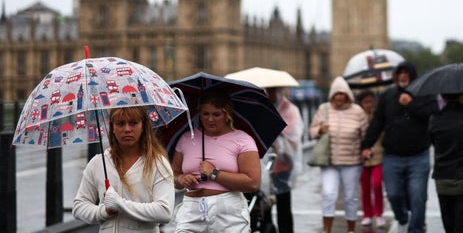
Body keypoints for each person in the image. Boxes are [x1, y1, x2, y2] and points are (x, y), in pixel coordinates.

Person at [361, 61, 439, 233]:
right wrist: (366, 145)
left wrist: (411, 104)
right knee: (394, 194)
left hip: (418, 156)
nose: (403, 76)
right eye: (399, 73)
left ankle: (416, 228)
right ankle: (403, 217)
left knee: (417, 197)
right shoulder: (388, 95)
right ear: (395, 77)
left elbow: (433, 114)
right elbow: (377, 122)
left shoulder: (424, 94)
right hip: (392, 157)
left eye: (406, 73)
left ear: (412, 75)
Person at [172, 88, 261, 233]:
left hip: (228, 212)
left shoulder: (243, 140)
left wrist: (215, 173)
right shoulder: (187, 138)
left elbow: (252, 183)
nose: (210, 119)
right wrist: (181, 179)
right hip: (191, 209)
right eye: (205, 113)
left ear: (227, 114)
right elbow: (173, 174)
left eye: (216, 114)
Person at [73, 106, 175, 232]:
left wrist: (119, 204)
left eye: (133, 123)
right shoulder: (98, 163)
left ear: (143, 126)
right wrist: (104, 211)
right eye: (120, 123)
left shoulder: (157, 164)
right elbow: (78, 207)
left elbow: (165, 211)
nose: (127, 129)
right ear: (112, 128)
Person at [309, 76, 368, 233]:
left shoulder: (358, 111)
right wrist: (319, 130)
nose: (339, 97)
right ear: (332, 95)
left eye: (342, 94)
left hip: (352, 162)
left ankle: (350, 230)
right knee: (328, 194)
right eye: (336, 94)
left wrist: (367, 150)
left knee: (350, 197)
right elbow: (311, 131)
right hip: (329, 161)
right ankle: (327, 230)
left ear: (348, 95)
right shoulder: (324, 109)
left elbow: (366, 136)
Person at [428, 93, 463, 233]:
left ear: (443, 97)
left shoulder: (435, 119)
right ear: (461, 94)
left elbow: (434, 142)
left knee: (449, 222)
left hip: (442, 178)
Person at [266, 86, 304, 233]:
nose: (270, 94)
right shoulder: (263, 107)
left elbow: (294, 132)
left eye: (273, 90)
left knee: (283, 200)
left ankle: (285, 230)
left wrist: (275, 126)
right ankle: (267, 227)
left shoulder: (290, 109)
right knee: (264, 201)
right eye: (268, 90)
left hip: (283, 162)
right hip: (265, 161)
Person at [356, 90, 385, 228]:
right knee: (365, 187)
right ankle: (367, 214)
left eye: (371, 101)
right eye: (365, 102)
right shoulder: (357, 116)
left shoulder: (379, 116)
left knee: (377, 184)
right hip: (362, 157)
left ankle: (379, 213)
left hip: (378, 154)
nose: (368, 105)